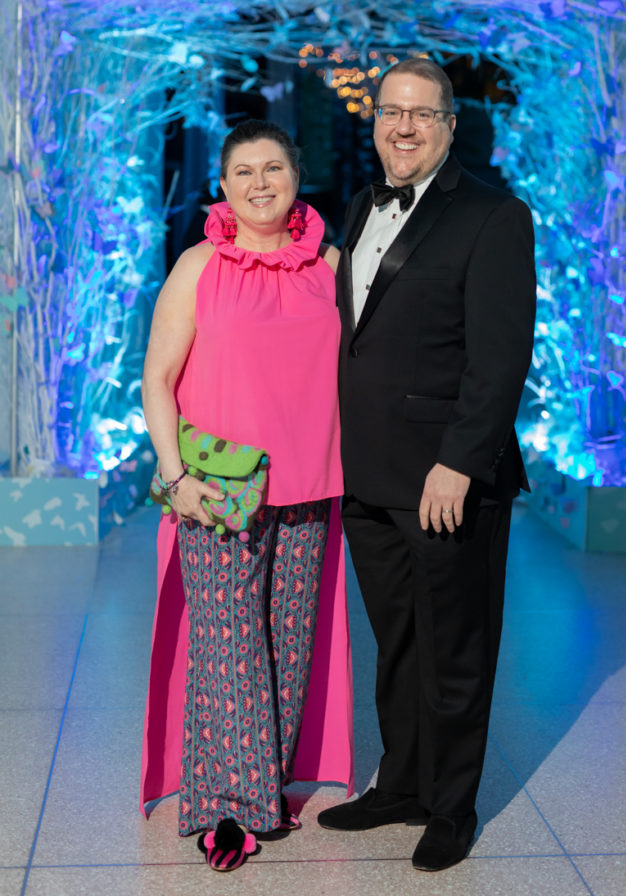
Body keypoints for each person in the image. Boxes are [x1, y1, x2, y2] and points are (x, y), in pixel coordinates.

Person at [317, 59, 536, 872]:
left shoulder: (493, 215)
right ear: (373, 122)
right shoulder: (360, 205)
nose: (402, 127)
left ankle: (451, 806)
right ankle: (402, 784)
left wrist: (460, 461)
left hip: (447, 482)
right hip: (369, 476)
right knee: (399, 642)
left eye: (421, 114)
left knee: (456, 649)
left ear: (449, 125)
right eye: (389, 113)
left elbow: (500, 356)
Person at [139, 120, 353, 872]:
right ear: (222, 187)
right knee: (227, 645)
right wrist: (175, 479)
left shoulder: (329, 264)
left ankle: (256, 785)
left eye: (273, 168)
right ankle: (230, 809)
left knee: (287, 649)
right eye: (243, 173)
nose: (260, 183)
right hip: (218, 490)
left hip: (310, 486)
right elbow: (156, 379)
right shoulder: (200, 265)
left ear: (296, 175)